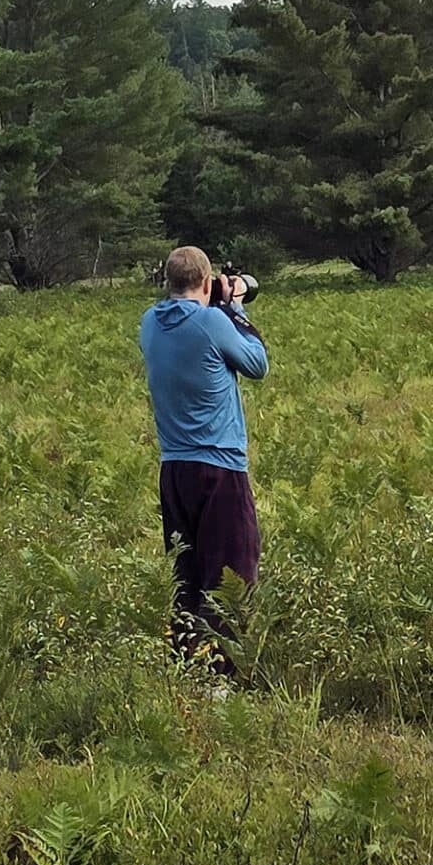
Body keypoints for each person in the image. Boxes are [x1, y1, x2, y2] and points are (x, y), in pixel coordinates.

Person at [140, 245, 267, 669]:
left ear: (166, 281)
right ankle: (223, 671)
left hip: (174, 468)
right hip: (220, 467)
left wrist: (216, 303)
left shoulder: (149, 324)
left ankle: (185, 661)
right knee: (232, 570)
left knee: (187, 572)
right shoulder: (214, 321)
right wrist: (234, 308)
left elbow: (185, 321)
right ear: (208, 281)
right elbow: (257, 364)